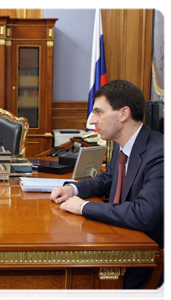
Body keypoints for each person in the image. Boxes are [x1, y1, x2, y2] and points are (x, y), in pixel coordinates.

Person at [50, 80, 167, 300]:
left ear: (123, 114)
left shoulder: (161, 153)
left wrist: (84, 207)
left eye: (98, 112)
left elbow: (144, 214)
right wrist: (73, 190)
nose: (91, 120)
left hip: (146, 267)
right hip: (116, 246)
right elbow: (106, 180)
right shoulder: (124, 145)